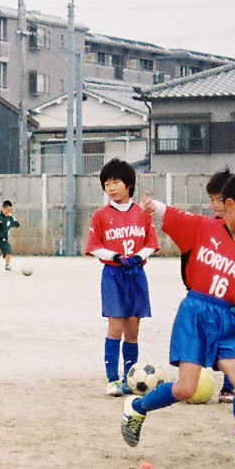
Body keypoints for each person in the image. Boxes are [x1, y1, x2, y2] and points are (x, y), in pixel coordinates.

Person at [122, 174, 235, 466]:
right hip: (195, 314)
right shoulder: (203, 228)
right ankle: (137, 406)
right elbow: (176, 216)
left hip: (226, 320)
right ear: (230, 206)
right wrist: (155, 206)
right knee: (185, 389)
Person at [85, 159, 156, 395]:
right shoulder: (101, 215)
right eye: (106, 184)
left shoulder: (142, 213)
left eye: (115, 182)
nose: (111, 188)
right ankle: (112, 379)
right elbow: (93, 246)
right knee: (114, 327)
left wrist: (137, 257)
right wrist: (115, 256)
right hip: (113, 275)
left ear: (129, 184)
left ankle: (130, 379)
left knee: (133, 330)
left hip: (135, 274)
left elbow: (151, 243)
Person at [193, 169, 235, 403]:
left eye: (218, 199)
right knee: (200, 338)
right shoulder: (206, 226)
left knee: (228, 341)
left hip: (229, 299)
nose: (214, 204)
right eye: (211, 199)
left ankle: (229, 386)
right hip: (206, 297)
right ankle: (195, 383)